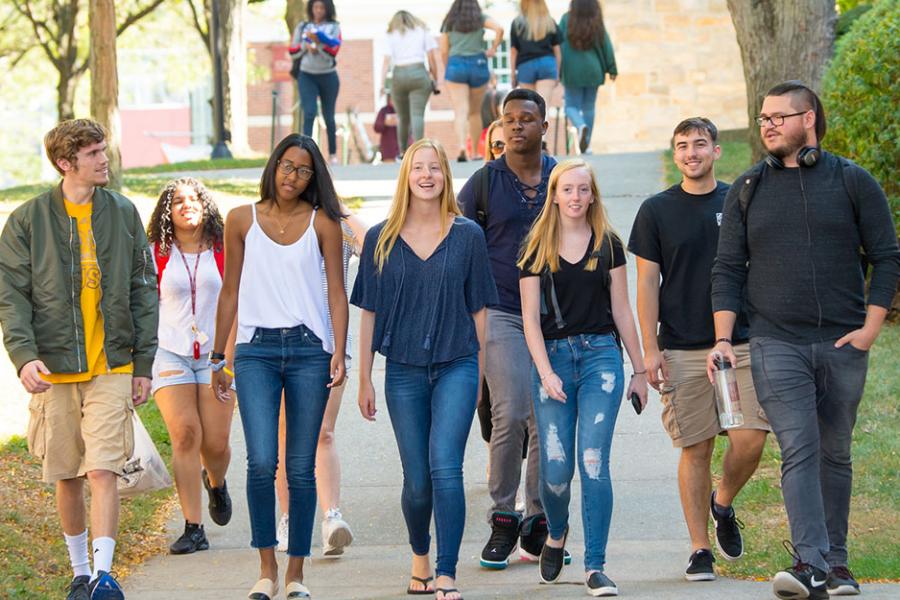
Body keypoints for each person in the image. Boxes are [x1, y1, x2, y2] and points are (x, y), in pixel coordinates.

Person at [709, 81, 900, 600]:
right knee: (800, 445)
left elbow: (887, 256)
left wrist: (871, 327)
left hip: (842, 344)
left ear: (809, 118)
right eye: (763, 117)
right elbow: (727, 269)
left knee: (835, 452)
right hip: (775, 342)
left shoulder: (853, 182)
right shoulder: (748, 188)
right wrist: (724, 338)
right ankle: (809, 562)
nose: (767, 124)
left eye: (779, 116)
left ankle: (837, 566)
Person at [0, 119, 158, 600]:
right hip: (55, 366)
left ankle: (105, 575)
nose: (103, 159)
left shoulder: (124, 212)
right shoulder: (28, 220)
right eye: (92, 153)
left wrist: (144, 363)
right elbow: (12, 295)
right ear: (66, 163)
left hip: (112, 364)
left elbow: (142, 289)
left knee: (103, 468)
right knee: (67, 473)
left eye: (102, 149)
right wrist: (24, 356)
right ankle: (79, 573)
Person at [353, 139, 498, 600]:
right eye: (419, 167)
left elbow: (480, 311)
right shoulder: (381, 238)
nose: (428, 175)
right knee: (416, 480)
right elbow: (369, 313)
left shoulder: (467, 235)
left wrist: (478, 372)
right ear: (407, 176)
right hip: (403, 372)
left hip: (457, 363)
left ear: (445, 176)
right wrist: (364, 379)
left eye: (435, 167)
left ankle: (447, 571)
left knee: (446, 470)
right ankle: (420, 558)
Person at [629, 118, 770, 581]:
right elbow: (647, 283)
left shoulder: (739, 199)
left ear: (716, 151)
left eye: (700, 144)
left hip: (741, 341)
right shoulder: (656, 210)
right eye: (683, 146)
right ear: (675, 155)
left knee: (750, 440)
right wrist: (649, 349)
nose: (692, 152)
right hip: (683, 347)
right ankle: (698, 549)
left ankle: (723, 502)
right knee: (696, 447)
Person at [210, 133, 349, 600]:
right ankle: (266, 568)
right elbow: (229, 291)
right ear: (273, 166)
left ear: (314, 178)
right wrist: (217, 357)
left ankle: (297, 573)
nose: (293, 176)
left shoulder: (324, 223)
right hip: (255, 351)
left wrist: (339, 351)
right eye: (287, 166)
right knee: (261, 462)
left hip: (310, 350)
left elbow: (335, 291)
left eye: (304, 170)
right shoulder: (240, 219)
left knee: (301, 467)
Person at [519, 158, 647, 596]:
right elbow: (530, 322)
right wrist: (544, 372)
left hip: (601, 360)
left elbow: (622, 310)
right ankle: (556, 532)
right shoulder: (535, 246)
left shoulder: (608, 244)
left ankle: (595, 565)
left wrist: (641, 370)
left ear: (593, 196)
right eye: (567, 189)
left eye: (583, 190)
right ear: (554, 194)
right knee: (555, 471)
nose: (575, 197)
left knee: (592, 463)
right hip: (552, 358)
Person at [457, 88, 559, 569]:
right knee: (512, 410)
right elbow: (456, 239)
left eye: (526, 119)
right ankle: (503, 515)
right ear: (499, 128)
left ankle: (538, 518)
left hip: (559, 315)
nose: (517, 126)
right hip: (501, 309)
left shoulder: (563, 178)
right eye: (508, 120)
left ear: (544, 125)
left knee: (546, 416)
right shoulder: (483, 182)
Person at [146, 178, 237, 556]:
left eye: (194, 199)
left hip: (217, 355)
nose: (187, 206)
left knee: (215, 444)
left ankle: (215, 482)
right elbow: (145, 305)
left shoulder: (223, 249)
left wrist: (226, 360)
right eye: (177, 201)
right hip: (170, 352)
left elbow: (237, 304)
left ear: (206, 206)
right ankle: (193, 527)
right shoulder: (155, 253)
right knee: (185, 434)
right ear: (167, 212)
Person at [275, 206, 368, 557]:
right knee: (287, 434)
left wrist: (341, 210)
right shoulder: (276, 224)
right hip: (284, 345)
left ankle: (331, 518)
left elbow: (375, 245)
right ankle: (288, 519)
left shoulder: (337, 226)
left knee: (323, 432)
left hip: (330, 345)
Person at [440, 0, 504, 162]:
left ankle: (462, 146)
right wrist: (493, 48)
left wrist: (449, 67)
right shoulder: (479, 17)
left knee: (461, 110)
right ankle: (474, 152)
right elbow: (499, 29)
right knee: (475, 112)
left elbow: (444, 50)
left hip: (456, 65)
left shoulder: (450, 20)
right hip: (478, 64)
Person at [559, 0, 617, 154]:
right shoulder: (596, 20)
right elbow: (607, 45)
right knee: (589, 107)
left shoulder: (566, 19)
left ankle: (579, 126)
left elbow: (558, 44)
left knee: (570, 106)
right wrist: (612, 68)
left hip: (572, 70)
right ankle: (587, 145)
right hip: (593, 69)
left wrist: (557, 69)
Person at [380, 10, 441, 156]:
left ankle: (402, 152)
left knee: (402, 116)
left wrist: (382, 84)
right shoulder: (422, 31)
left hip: (398, 74)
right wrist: (435, 78)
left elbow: (386, 62)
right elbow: (432, 57)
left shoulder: (391, 34)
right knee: (417, 114)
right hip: (419, 72)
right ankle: (419, 150)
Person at [289, 0, 342, 165]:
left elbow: (333, 52)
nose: (318, 10)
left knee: (329, 117)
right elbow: (293, 51)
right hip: (307, 75)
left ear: (327, 9)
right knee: (310, 112)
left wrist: (318, 45)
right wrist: (306, 47)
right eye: (315, 7)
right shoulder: (302, 26)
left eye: (322, 7)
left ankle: (332, 154)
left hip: (328, 76)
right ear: (311, 8)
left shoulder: (334, 27)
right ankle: (307, 152)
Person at [510, 0, 561, 105]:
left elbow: (513, 51)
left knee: (530, 107)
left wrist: (513, 75)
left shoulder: (517, 24)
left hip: (525, 66)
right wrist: (558, 72)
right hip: (547, 64)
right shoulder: (550, 22)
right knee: (544, 106)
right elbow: (557, 51)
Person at [374, 94, 401, 163]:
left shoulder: (404, 110)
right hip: (389, 150)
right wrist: (385, 123)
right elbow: (376, 127)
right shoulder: (384, 111)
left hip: (404, 149)